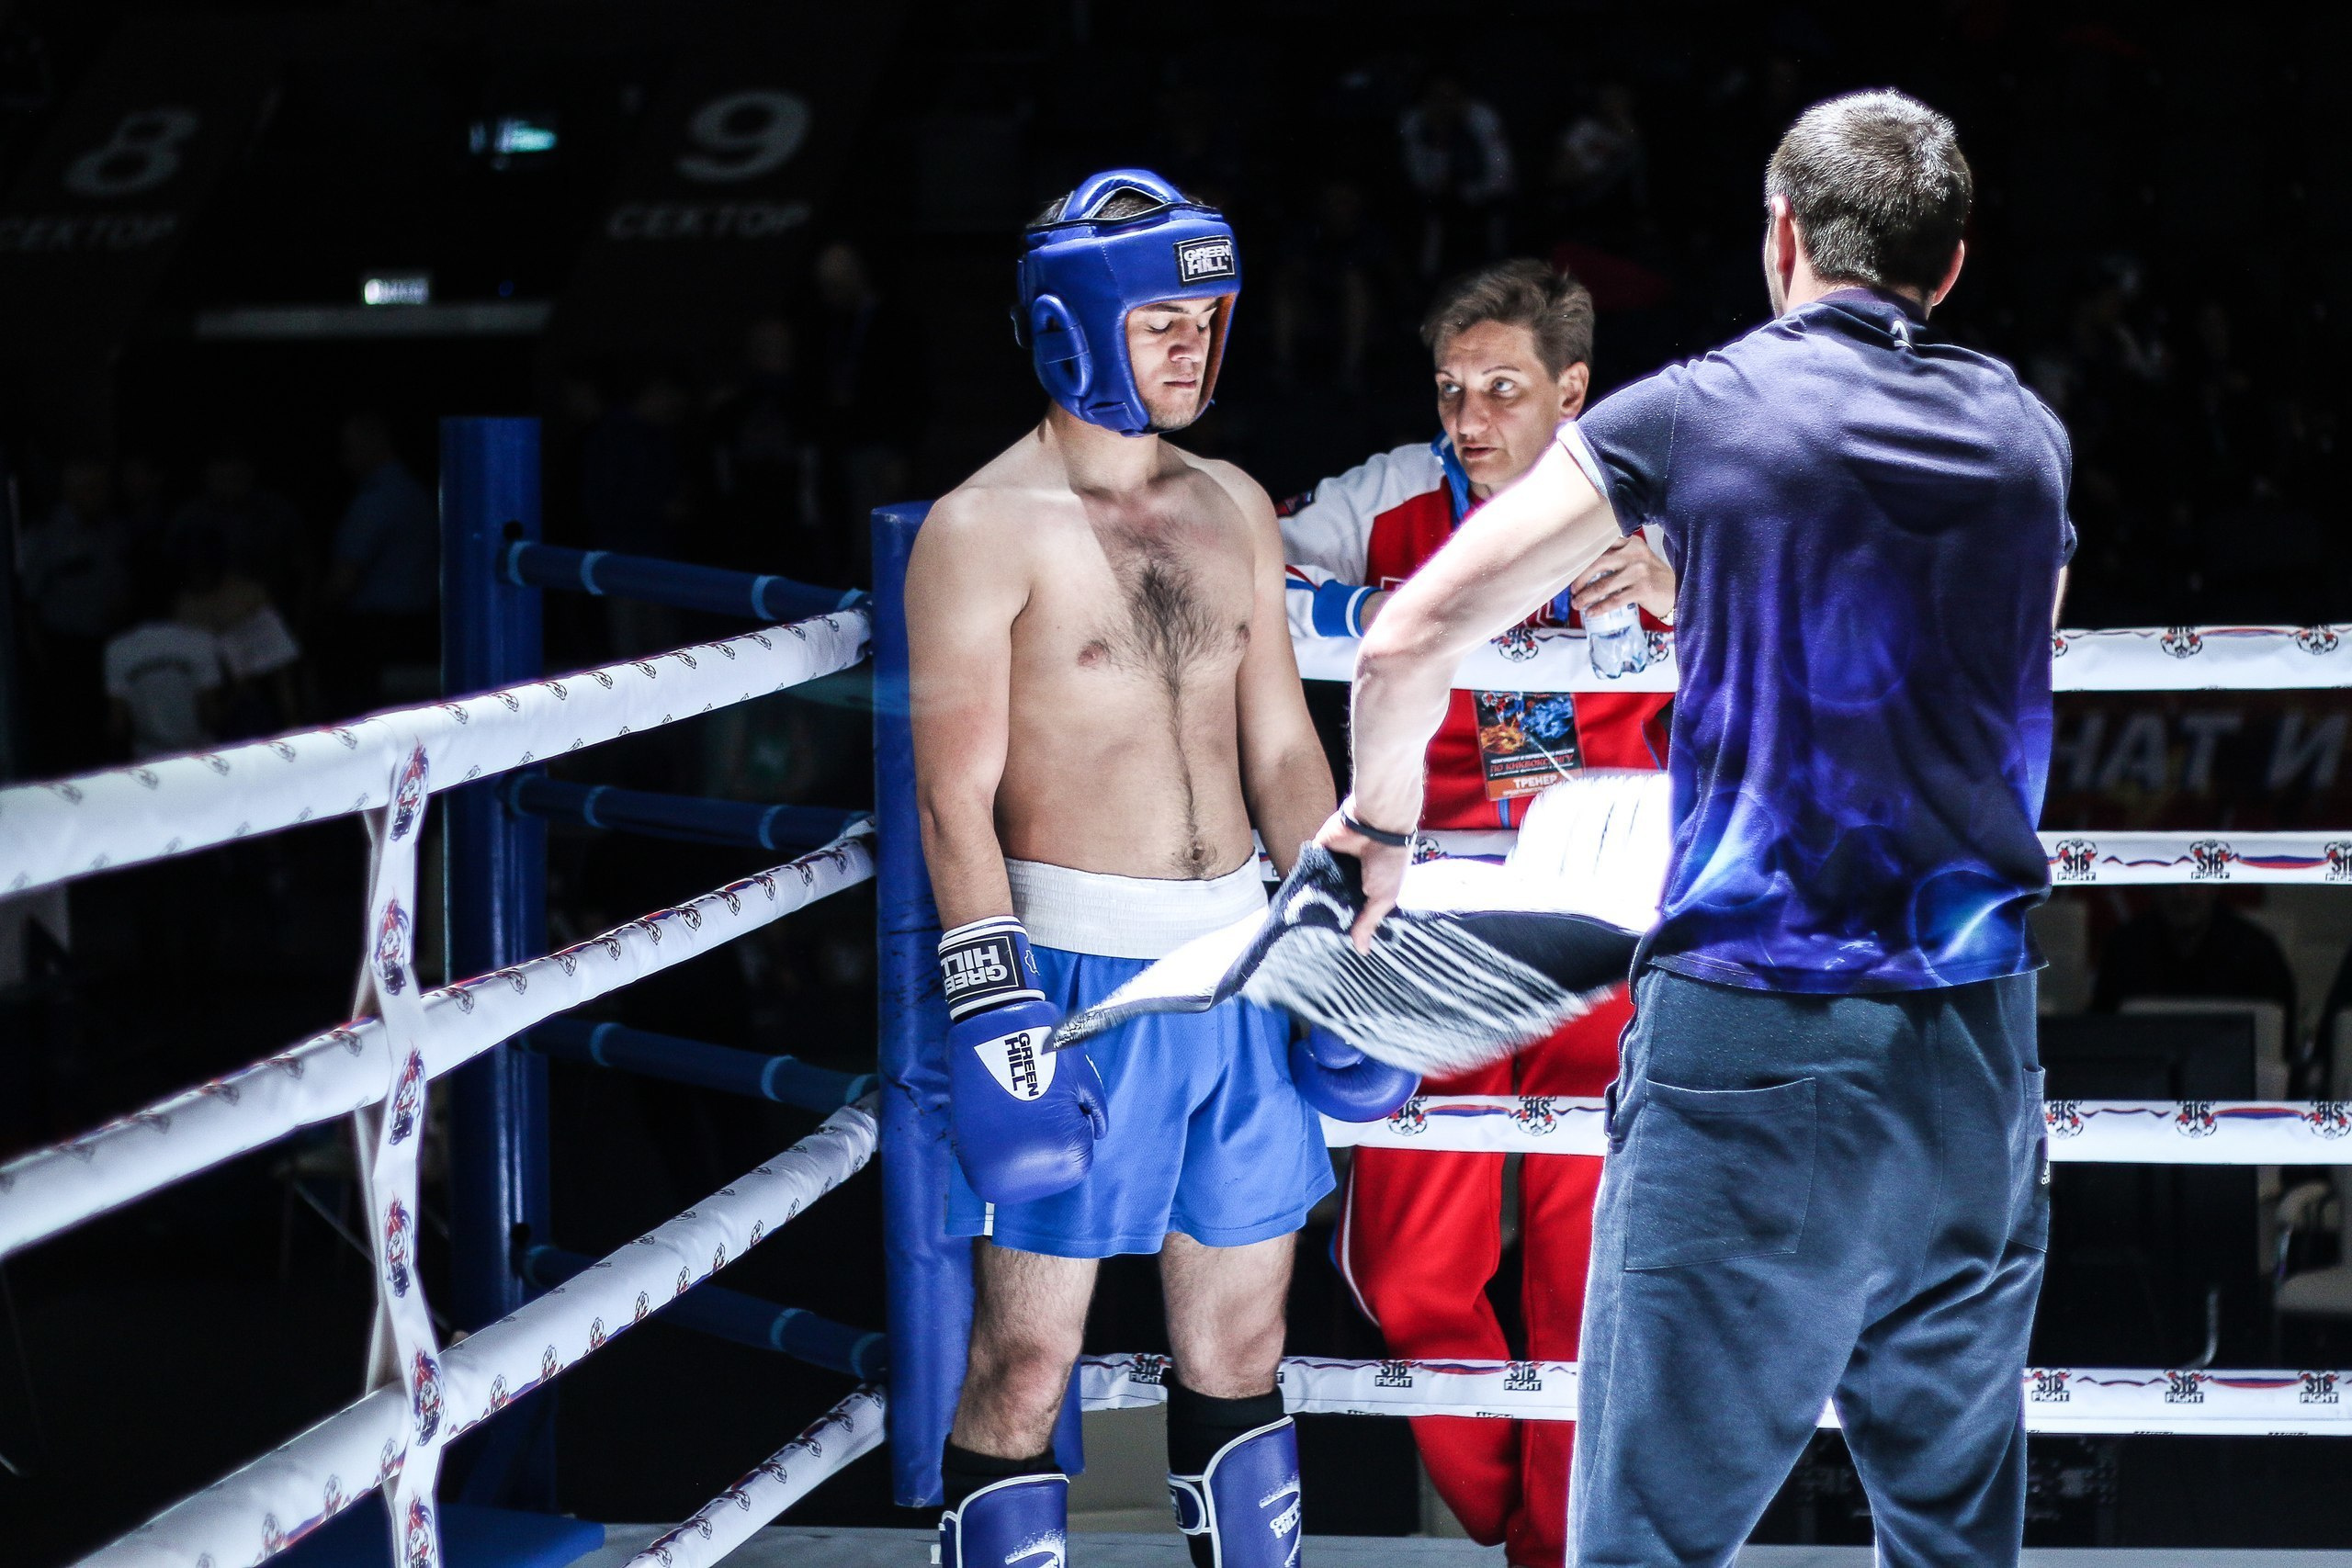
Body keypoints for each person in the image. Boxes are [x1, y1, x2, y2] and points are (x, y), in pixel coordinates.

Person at [1320, 92, 2073, 1565]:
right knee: (1954, 1544)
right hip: (1979, 1058)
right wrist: (1717, 594)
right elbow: (1974, 663)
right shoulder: (2028, 438)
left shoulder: (1703, 404)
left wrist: (1379, 837)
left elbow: (1409, 641)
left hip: (1755, 1035)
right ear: (1953, 265)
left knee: (1647, 1543)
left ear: (1784, 238)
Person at [909, 170, 1394, 1568]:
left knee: (1244, 1336)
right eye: (1162, 319)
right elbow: (953, 791)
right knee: (1025, 1362)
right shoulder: (982, 526)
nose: (1194, 345)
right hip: (1074, 978)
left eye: (1208, 315)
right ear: (1073, 326)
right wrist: (991, 998)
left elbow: (1285, 747)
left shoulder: (1234, 500)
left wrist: (1343, 936)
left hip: (1235, 961)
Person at [1278, 257, 1672, 1568]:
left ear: (1573, 388)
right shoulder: (1389, 493)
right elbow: (1245, 583)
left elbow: (1809, 632)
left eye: (1503, 386)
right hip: (1431, 911)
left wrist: (1692, 590)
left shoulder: (1673, 495)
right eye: (1453, 388)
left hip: (1611, 916)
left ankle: (1552, 1551)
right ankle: (1518, 1517)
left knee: (1582, 1276)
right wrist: (1353, 608)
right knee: (1404, 1272)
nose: (1471, 415)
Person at [322, 414, 438, 711]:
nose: (344, 459)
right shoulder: (417, 492)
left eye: (349, 447)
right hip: (420, 630)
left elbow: (344, 579)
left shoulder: (378, 499)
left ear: (373, 443)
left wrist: (316, 620)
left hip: (375, 637)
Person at [2092, 886, 2296, 1023]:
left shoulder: (2257, 952)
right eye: (2172, 882)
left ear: (2214, 884)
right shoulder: (2123, 949)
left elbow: (2279, 1041)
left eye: (2193, 880)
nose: (2183, 894)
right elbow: (2102, 1033)